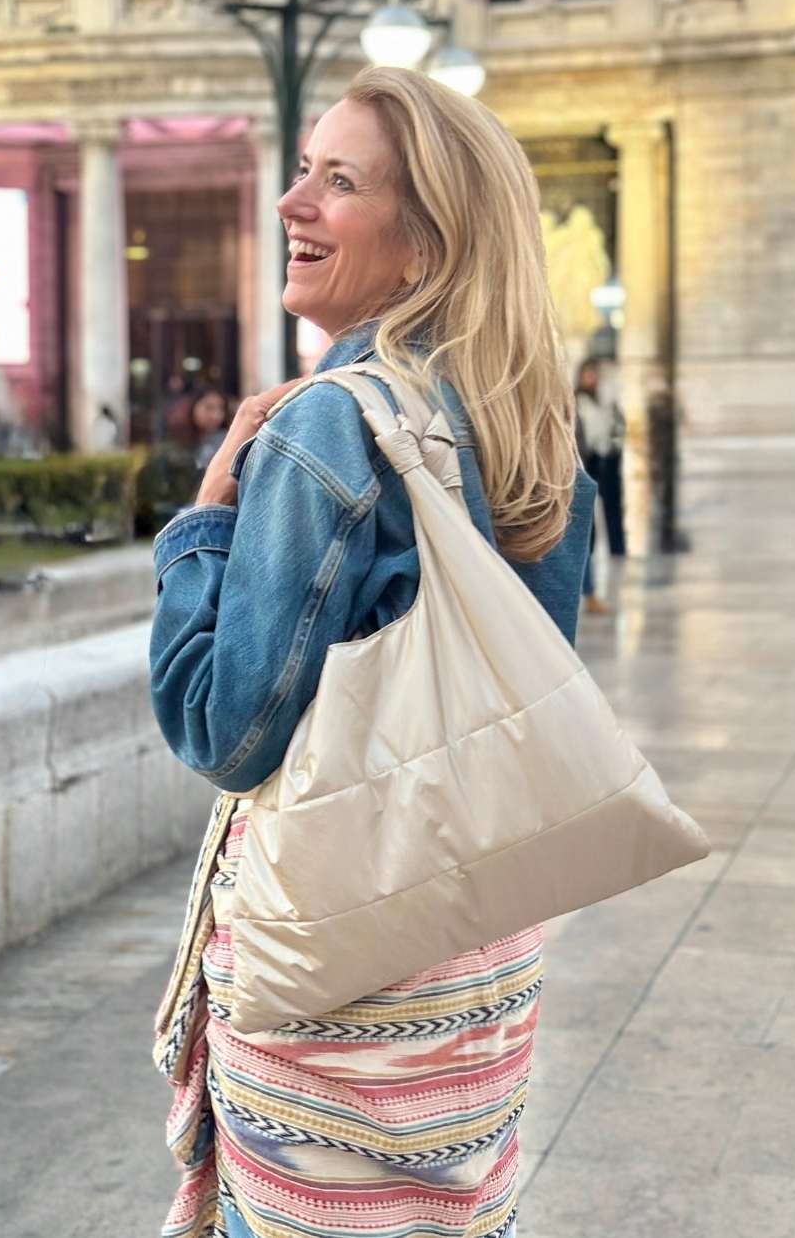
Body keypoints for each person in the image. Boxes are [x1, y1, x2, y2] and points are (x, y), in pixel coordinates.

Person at [149, 67, 594, 1238]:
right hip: (474, 982)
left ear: (424, 245)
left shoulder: (329, 423)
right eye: (302, 169)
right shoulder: (530, 425)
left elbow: (223, 727)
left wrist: (201, 523)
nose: (292, 202)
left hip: (336, 994)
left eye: (336, 182)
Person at [574, 357, 623, 615]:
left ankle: (591, 592)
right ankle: (589, 593)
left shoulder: (603, 401)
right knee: (584, 532)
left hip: (598, 463)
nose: (592, 379)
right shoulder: (575, 402)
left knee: (592, 527)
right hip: (581, 467)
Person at [187, 386, 232, 473]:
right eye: (209, 408)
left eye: (221, 408)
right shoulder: (181, 441)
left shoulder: (226, 441)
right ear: (193, 406)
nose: (216, 415)